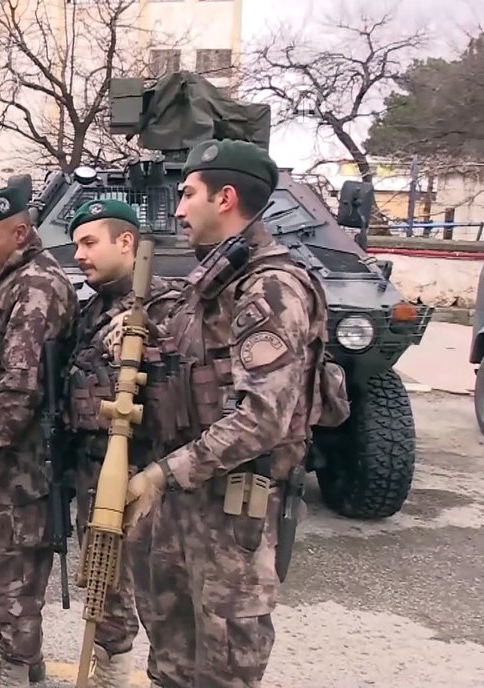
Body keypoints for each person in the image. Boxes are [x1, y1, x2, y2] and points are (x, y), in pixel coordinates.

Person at [122, 139, 344, 687]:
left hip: (233, 510)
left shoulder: (272, 287)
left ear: (224, 198)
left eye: (186, 194)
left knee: (224, 666)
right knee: (169, 656)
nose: (177, 209)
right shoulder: (210, 283)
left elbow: (262, 419)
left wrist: (161, 473)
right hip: (184, 503)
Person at [63, 198, 187, 688]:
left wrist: (151, 341)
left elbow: (186, 387)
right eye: (76, 245)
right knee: (104, 581)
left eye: (90, 243)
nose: (79, 254)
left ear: (127, 242)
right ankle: (109, 673)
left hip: (148, 471)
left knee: (158, 589)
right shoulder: (90, 309)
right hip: (95, 468)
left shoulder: (168, 305)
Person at [0, 185, 79, 686]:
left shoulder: (35, 286)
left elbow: (21, 382)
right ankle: (15, 650)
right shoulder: (13, 277)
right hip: (17, 446)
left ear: (21, 231)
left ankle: (16, 666)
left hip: (25, 452)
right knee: (5, 558)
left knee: (15, 565)